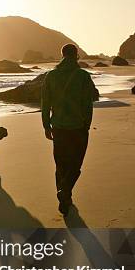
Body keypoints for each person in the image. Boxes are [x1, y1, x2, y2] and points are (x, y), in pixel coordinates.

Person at [41, 43, 99, 215]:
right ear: (76, 56)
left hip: (58, 127)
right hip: (78, 128)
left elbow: (45, 104)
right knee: (75, 163)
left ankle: (65, 197)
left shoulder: (50, 76)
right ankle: (65, 192)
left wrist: (46, 125)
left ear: (62, 55)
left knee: (60, 164)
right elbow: (87, 105)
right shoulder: (82, 76)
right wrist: (86, 125)